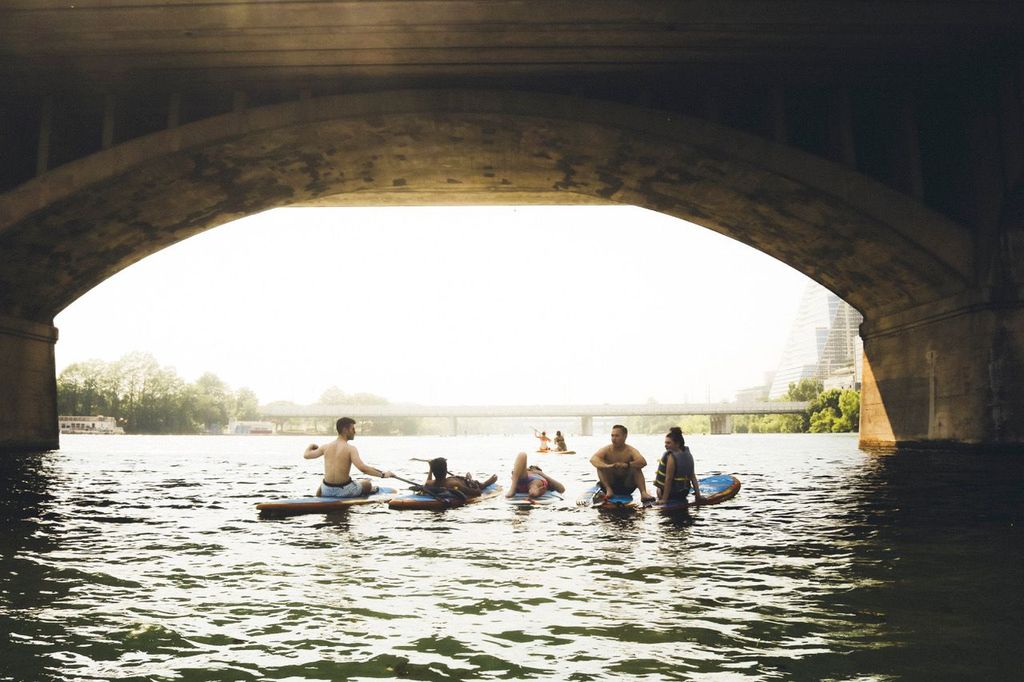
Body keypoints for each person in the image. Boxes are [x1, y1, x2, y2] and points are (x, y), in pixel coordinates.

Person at [303, 417, 393, 497]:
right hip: (345, 491)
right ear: (345, 430)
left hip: (326, 491)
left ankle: (322, 496)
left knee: (323, 485)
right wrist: (383, 475)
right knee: (367, 483)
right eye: (353, 429)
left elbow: (306, 455)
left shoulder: (325, 447)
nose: (355, 432)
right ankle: (368, 491)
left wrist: (311, 445)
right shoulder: (351, 449)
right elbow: (363, 469)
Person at [589, 424, 656, 503]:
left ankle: (643, 493)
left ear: (625, 436)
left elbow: (643, 462)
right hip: (611, 485)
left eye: (617, 436)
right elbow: (593, 459)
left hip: (627, 485)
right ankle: (609, 490)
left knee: (636, 467)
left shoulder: (631, 450)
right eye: (612, 436)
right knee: (600, 466)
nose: (614, 439)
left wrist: (627, 465)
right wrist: (607, 466)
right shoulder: (606, 449)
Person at [655, 427, 704, 505]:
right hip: (684, 492)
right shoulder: (688, 453)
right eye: (665, 443)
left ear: (677, 443)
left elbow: (668, 479)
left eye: (668, 443)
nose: (665, 445)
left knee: (658, 489)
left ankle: (663, 498)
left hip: (673, 494)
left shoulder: (671, 457)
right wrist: (698, 496)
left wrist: (664, 500)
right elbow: (693, 477)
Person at [423, 457, 498, 499]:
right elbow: (478, 492)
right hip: (469, 485)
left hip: (459, 481)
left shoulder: (430, 483)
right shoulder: (453, 484)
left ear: (433, 471)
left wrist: (431, 467)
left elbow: (428, 480)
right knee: (480, 485)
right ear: (445, 470)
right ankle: (487, 483)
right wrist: (469, 479)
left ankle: (482, 483)